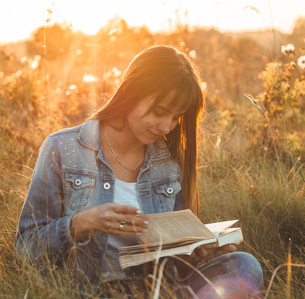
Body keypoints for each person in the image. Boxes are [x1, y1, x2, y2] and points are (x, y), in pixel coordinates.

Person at [16, 45, 263, 298]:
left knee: (243, 264)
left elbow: (172, 266)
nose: (167, 126)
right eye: (159, 111)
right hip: (89, 291)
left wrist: (192, 251)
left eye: (176, 117)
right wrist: (81, 223)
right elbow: (26, 246)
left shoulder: (169, 164)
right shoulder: (62, 148)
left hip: (157, 291)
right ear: (131, 92)